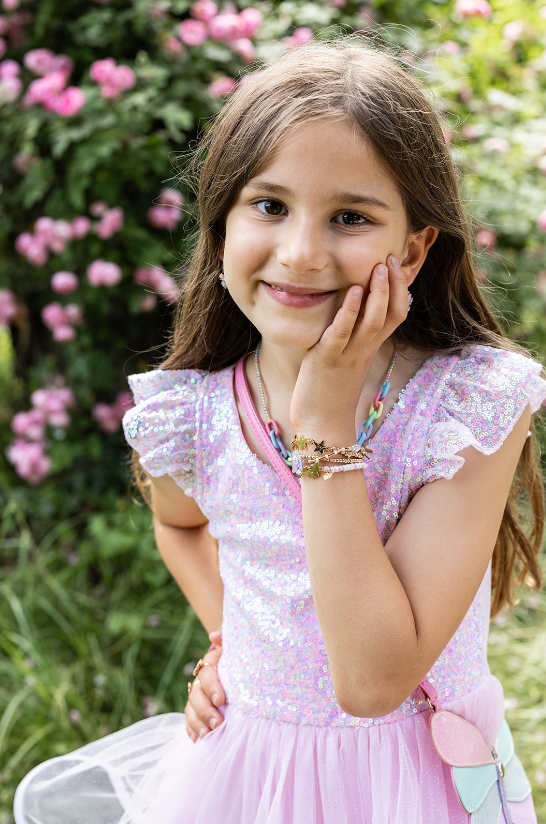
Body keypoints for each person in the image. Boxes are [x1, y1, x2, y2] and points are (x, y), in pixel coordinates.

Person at [14, 35, 546, 824]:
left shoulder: (466, 409)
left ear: (412, 248)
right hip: (243, 780)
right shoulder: (189, 415)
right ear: (222, 224)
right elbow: (181, 526)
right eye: (269, 205)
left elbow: (373, 683)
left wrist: (325, 422)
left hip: (413, 785)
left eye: (350, 217)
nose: (300, 253)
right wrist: (237, 640)